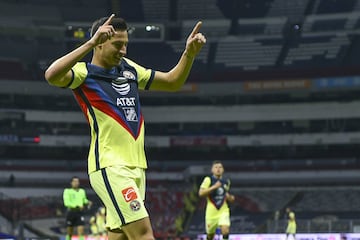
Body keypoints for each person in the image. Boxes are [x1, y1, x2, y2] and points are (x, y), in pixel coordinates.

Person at [45, 14, 206, 240]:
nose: (123, 51)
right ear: (100, 43)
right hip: (111, 167)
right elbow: (51, 75)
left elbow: (172, 82)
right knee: (143, 235)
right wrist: (90, 42)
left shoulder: (128, 69)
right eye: (118, 45)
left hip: (137, 167)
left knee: (119, 236)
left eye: (126, 45)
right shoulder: (84, 73)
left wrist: (189, 54)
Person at [198, 161, 235, 240]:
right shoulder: (208, 180)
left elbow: (230, 198)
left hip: (223, 210)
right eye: (216, 167)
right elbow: (201, 193)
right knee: (210, 236)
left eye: (220, 167)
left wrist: (230, 198)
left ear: (223, 170)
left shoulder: (226, 182)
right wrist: (214, 187)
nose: (218, 169)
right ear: (212, 170)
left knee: (225, 230)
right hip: (211, 211)